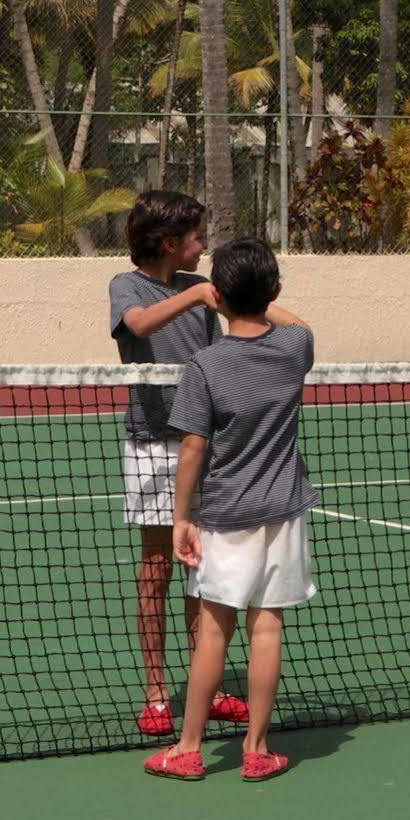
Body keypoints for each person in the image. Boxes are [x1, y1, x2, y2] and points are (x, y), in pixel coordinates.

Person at [143, 238, 318, 783]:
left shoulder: (205, 364)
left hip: (223, 516)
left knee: (214, 631)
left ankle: (189, 748)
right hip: (283, 513)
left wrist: (181, 517)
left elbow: (193, 449)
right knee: (266, 629)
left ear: (215, 295)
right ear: (275, 292)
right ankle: (258, 748)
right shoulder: (295, 348)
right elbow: (297, 323)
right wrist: (266, 301)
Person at [110, 191, 248, 738]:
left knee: (207, 571)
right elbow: (139, 326)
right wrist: (197, 299)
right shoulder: (128, 285)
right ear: (170, 244)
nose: (203, 245)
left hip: (205, 446)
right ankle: (157, 693)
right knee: (157, 569)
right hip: (152, 445)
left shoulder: (203, 290)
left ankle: (204, 689)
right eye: (195, 238)